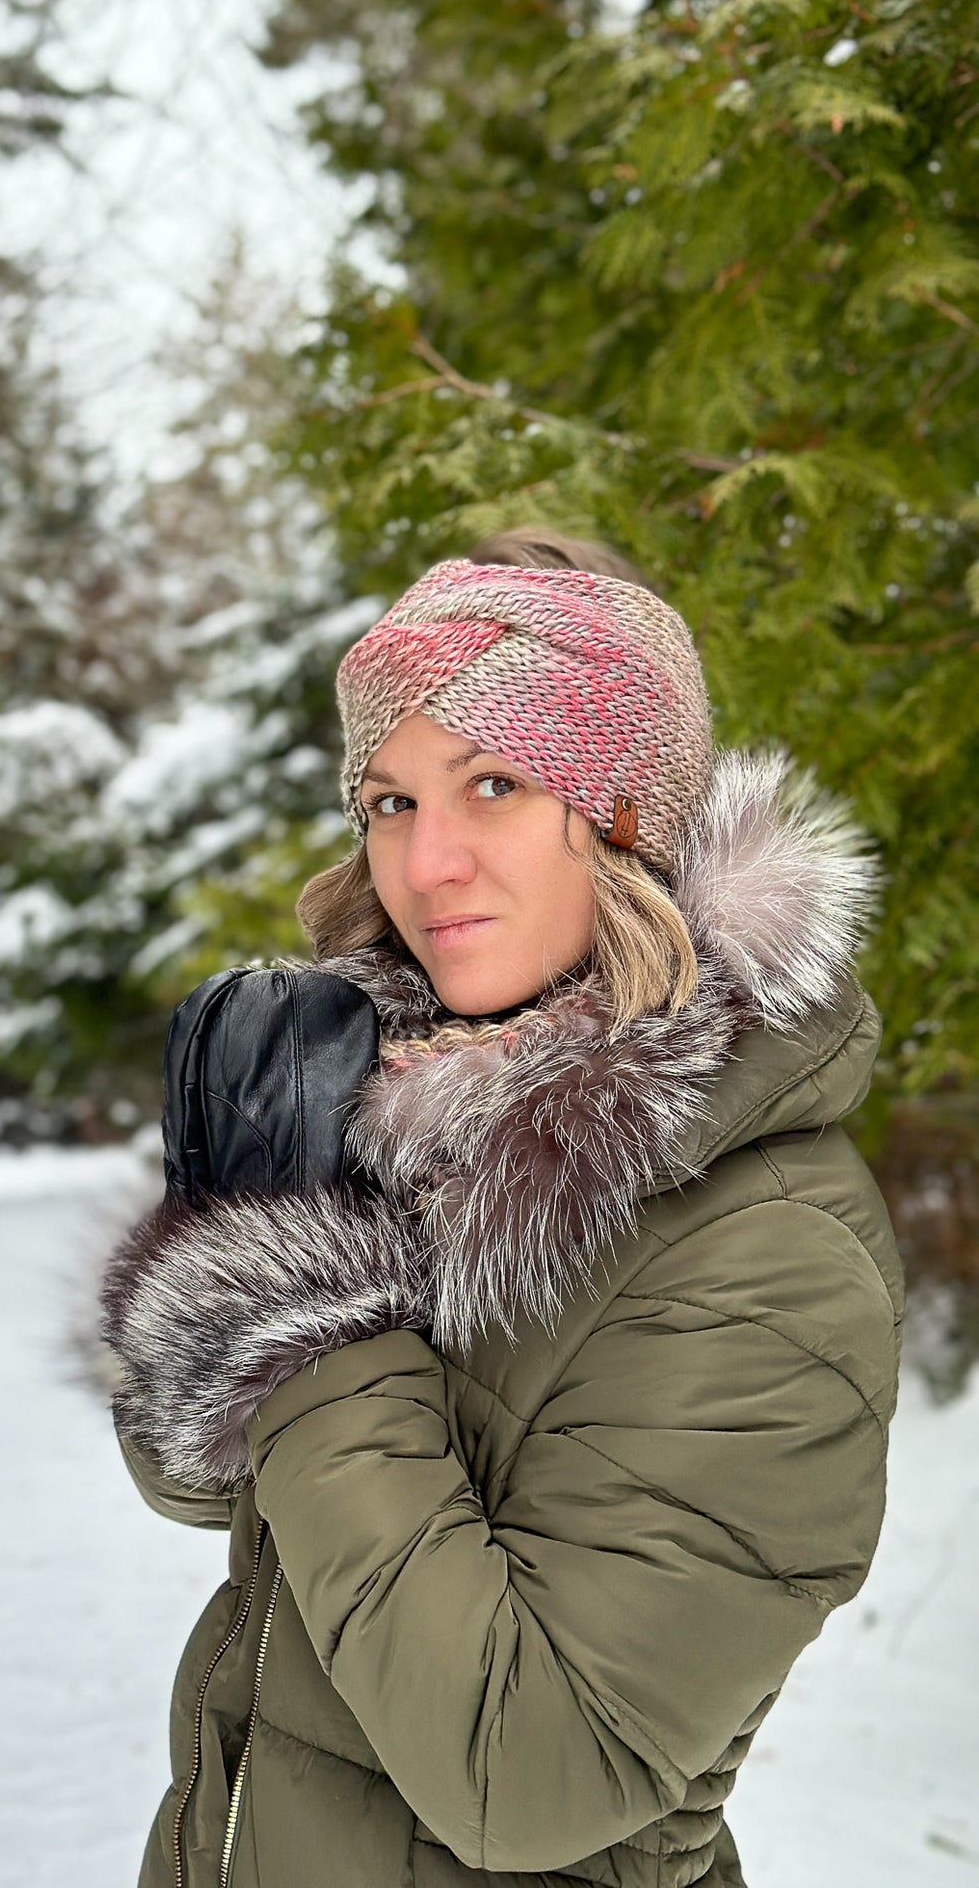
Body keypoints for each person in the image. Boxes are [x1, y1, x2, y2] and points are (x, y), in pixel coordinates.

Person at [98, 544, 902, 1888]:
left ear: (629, 813)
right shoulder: (411, 1107)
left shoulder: (768, 1257)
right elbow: (188, 1482)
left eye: (494, 783)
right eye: (388, 800)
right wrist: (225, 1227)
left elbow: (527, 1774)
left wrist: (307, 1319)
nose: (426, 860)